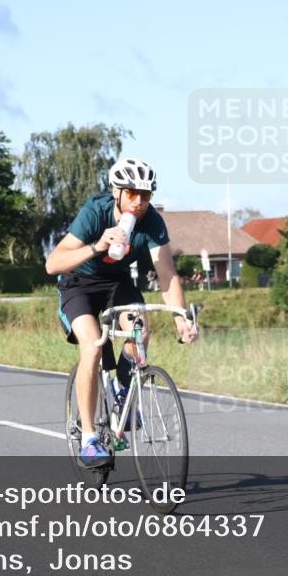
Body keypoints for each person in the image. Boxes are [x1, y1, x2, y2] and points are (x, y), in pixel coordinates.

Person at [45, 157, 197, 468]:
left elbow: (166, 274)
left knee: (140, 332)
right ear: (116, 192)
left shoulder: (152, 221)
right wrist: (97, 246)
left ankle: (123, 393)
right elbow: (53, 264)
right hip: (78, 284)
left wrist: (181, 316)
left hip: (117, 283)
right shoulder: (95, 212)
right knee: (93, 347)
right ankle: (89, 439)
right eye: (131, 193)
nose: (138, 202)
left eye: (145, 195)